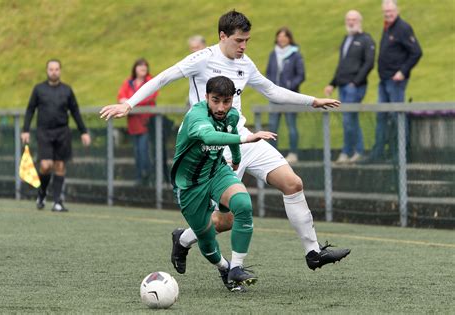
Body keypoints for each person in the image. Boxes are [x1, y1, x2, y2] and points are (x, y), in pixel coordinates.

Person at [100, 10, 350, 275]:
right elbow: (163, 77)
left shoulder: (245, 63)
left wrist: (312, 101)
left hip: (246, 137)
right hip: (219, 145)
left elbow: (272, 91)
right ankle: (183, 239)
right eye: (239, 40)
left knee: (293, 183)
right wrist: (129, 104)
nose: (243, 46)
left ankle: (313, 252)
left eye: (247, 40)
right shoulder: (203, 59)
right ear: (223, 36)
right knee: (224, 221)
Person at [172, 76, 276, 291]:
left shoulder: (232, 115)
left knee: (243, 205)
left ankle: (236, 270)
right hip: (190, 185)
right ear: (207, 97)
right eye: (216, 100)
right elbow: (210, 137)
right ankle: (222, 266)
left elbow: (232, 131)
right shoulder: (196, 116)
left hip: (217, 171)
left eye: (226, 101)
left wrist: (236, 159)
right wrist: (247, 139)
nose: (221, 107)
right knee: (208, 240)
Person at [21, 59, 91, 212]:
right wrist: (25, 129)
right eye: (51, 69)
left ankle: (57, 201)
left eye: (56, 69)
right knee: (46, 165)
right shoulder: (39, 89)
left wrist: (83, 131)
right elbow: (30, 109)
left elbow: (75, 111)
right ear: (47, 71)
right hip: (44, 131)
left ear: (60, 70)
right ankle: (42, 192)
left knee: (59, 165)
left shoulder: (67, 90)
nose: (54, 72)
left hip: (62, 132)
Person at [364, 0, 422, 162]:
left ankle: (401, 155)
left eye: (390, 11)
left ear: (397, 10)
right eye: (385, 11)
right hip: (384, 81)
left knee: (397, 117)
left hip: (395, 81)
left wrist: (403, 72)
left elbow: (416, 52)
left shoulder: (402, 28)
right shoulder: (387, 26)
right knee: (381, 116)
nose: (388, 14)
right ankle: (378, 153)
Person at [324, 10, 375, 164]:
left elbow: (369, 63)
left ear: (359, 21)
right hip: (342, 86)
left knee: (349, 119)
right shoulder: (346, 39)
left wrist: (356, 82)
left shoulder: (366, 39)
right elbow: (342, 64)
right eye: (348, 19)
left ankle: (351, 151)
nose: (351, 22)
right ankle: (353, 152)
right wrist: (332, 83)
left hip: (355, 87)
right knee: (349, 120)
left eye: (354, 19)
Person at [266, 27, 305, 164]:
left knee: (291, 126)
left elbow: (301, 75)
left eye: (284, 36)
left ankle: (293, 153)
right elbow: (269, 73)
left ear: (289, 38)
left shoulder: (295, 55)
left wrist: (289, 86)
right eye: (279, 36)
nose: (281, 39)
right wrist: (271, 88)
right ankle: (272, 155)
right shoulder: (273, 54)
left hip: (289, 97)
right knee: (273, 126)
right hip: (274, 97)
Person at [117, 58, 158, 185]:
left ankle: (147, 176)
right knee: (136, 151)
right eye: (140, 68)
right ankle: (140, 176)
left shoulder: (151, 81)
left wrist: (130, 102)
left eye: (145, 68)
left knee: (144, 150)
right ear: (135, 69)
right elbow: (120, 97)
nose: (143, 70)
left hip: (146, 122)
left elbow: (149, 97)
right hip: (133, 123)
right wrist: (128, 102)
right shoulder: (129, 82)